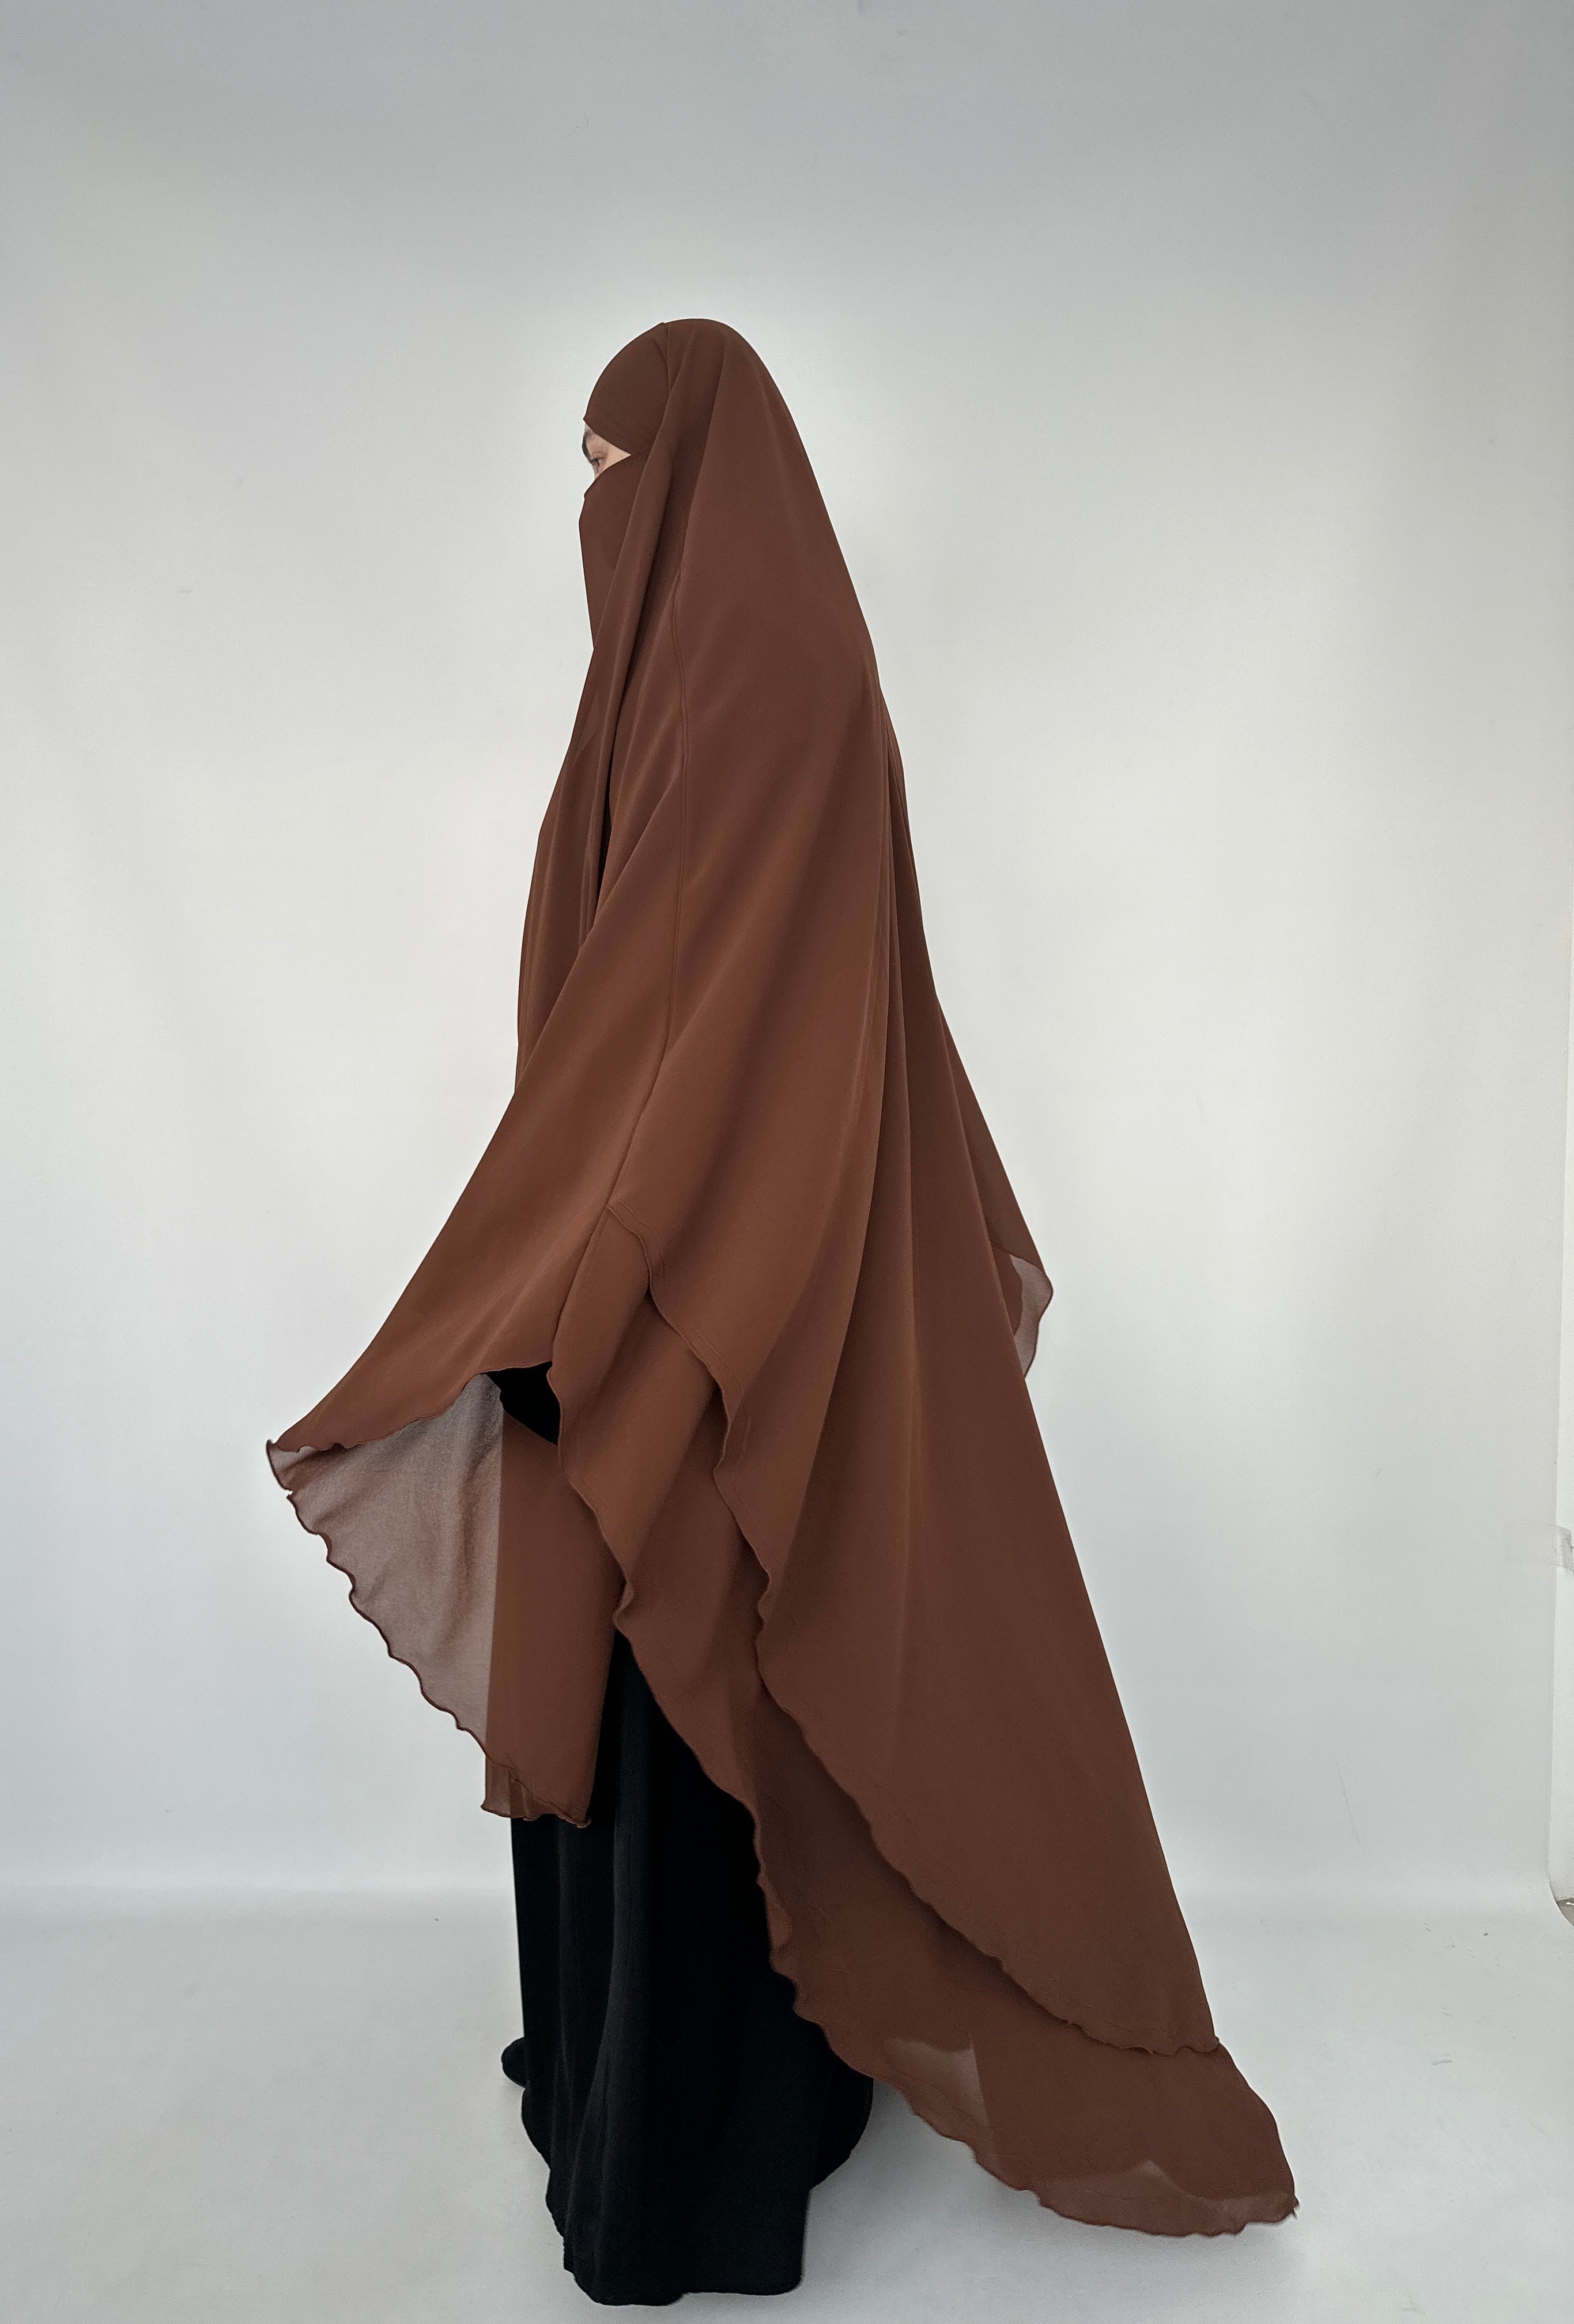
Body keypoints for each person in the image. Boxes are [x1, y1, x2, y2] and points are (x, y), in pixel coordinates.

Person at [268, 318, 1297, 2304]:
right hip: (680, 1255)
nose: (599, 517)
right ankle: (677, 2102)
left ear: (690, 470)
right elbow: (634, 1015)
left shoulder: (763, 686)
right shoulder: (709, 678)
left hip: (705, 1285)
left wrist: (586, 1274)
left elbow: (712, 1023)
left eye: (616, 475)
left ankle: (685, 2177)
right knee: (680, 1689)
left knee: (699, 1675)